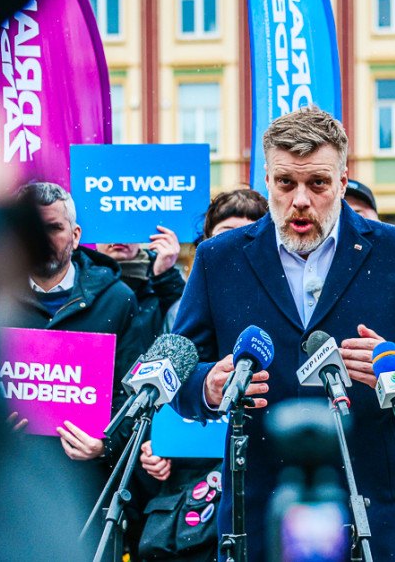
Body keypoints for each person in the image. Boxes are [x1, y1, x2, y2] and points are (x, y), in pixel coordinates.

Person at [170, 107, 395, 561]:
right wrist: (210, 386)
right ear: (267, 178)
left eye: (318, 183)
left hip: (374, 507)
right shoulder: (218, 258)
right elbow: (183, 368)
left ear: (343, 180)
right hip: (258, 507)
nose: (301, 200)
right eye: (286, 183)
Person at [131, 188, 268, 562]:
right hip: (192, 503)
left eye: (248, 230)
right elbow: (167, 390)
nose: (235, 242)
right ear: (206, 242)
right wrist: (154, 448)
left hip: (260, 489)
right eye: (224, 232)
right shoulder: (184, 313)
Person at [0, 182, 142, 504]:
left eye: (54, 228)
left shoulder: (118, 301)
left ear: (76, 235)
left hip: (86, 488)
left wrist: (105, 444)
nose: (41, 240)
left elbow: (135, 395)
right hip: (9, 486)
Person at [98, 224, 186, 350]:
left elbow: (180, 325)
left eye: (129, 230)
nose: (118, 239)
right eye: (108, 229)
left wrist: (165, 276)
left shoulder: (161, 277)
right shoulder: (77, 276)